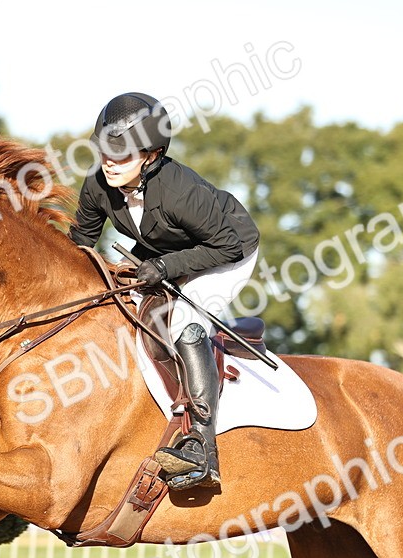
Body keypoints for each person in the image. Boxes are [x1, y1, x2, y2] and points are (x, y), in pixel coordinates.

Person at [68, 92, 260, 491]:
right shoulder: (98, 185)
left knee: (186, 324)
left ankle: (201, 447)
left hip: (228, 249)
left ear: (151, 155)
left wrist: (166, 267)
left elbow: (226, 246)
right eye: (105, 151)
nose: (109, 162)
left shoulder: (180, 191)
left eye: (121, 154)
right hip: (167, 249)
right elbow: (79, 245)